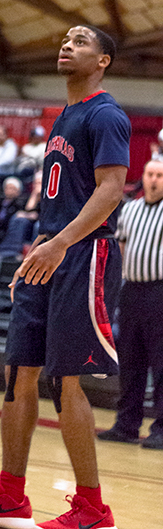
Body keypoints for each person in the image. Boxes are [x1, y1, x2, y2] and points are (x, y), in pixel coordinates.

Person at [0, 25, 130, 529]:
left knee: (62, 379)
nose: (67, 45)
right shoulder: (65, 116)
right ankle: (9, 497)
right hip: (49, 254)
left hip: (83, 255)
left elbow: (111, 190)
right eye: (65, 39)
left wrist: (59, 245)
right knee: (16, 374)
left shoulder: (106, 113)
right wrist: (37, 255)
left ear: (103, 61)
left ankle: (93, 510)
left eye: (81, 41)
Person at [98, 157, 163, 449]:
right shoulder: (131, 210)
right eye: (150, 174)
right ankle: (126, 425)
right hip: (133, 291)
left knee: (161, 363)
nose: (153, 180)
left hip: (160, 291)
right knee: (131, 362)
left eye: (160, 176)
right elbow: (120, 250)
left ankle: (161, 428)